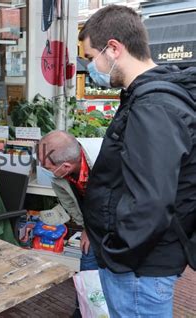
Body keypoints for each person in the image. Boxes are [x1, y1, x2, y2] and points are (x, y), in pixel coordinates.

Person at [79, 5, 196, 317]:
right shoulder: (148, 97)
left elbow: (151, 200)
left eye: (91, 57)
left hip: (138, 270)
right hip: (142, 264)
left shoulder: (153, 106)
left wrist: (117, 254)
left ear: (114, 48)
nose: (91, 67)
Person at [38, 130, 100, 317]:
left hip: (123, 229)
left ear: (65, 166)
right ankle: (82, 310)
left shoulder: (107, 158)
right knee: (88, 268)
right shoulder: (61, 174)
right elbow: (70, 203)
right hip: (93, 225)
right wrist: (86, 227)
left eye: (47, 167)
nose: (45, 170)